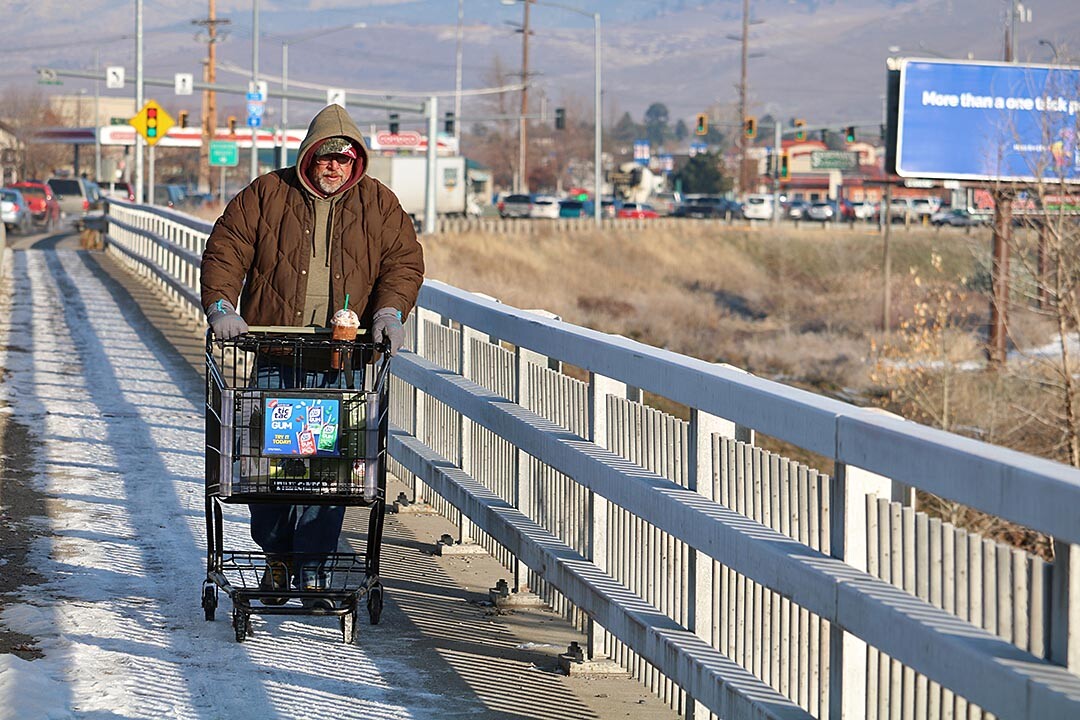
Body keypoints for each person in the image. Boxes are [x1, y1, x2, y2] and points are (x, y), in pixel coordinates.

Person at [200, 104, 425, 606]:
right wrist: (221, 307)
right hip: (277, 354)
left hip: (342, 363)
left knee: (333, 471)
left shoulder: (380, 205)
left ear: (356, 162)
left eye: (344, 159)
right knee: (274, 466)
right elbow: (226, 249)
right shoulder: (267, 193)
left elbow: (403, 263)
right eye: (325, 156)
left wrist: (389, 313)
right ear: (308, 155)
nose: (334, 166)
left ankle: (315, 571)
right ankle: (277, 558)